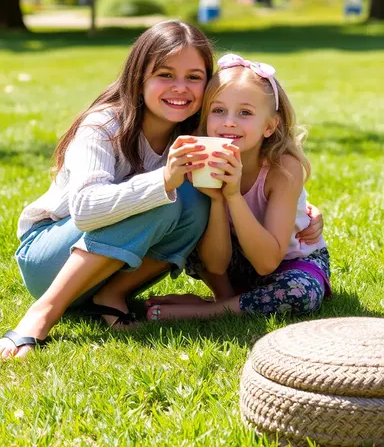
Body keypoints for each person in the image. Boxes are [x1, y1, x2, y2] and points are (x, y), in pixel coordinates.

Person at [1, 30, 322, 360]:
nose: (180, 87)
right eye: (165, 75)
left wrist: (302, 208)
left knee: (193, 199)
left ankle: (111, 297)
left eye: (194, 77)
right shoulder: (103, 126)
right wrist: (163, 180)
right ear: (139, 78)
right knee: (169, 197)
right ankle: (41, 314)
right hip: (50, 260)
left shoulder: (195, 134)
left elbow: (263, 184)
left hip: (102, 275)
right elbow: (84, 210)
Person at [146, 53, 330, 322]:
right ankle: (227, 300)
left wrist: (233, 195)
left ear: (269, 126)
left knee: (299, 293)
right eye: (218, 111)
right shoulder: (202, 160)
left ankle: (208, 310)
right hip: (236, 264)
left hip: (290, 263)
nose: (229, 122)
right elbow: (215, 264)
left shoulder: (282, 169)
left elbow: (268, 262)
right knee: (192, 227)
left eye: (245, 113)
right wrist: (219, 201)